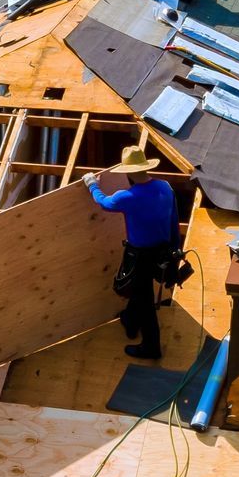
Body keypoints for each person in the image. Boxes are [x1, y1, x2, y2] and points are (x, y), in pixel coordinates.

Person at [86, 147, 177, 360]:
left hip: (139, 257)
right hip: (162, 251)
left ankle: (151, 347)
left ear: (128, 172)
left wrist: (92, 184)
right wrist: (174, 253)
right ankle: (129, 321)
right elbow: (173, 222)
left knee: (144, 301)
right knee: (140, 292)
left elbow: (103, 202)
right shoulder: (165, 188)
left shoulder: (127, 197)